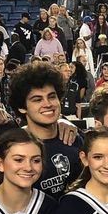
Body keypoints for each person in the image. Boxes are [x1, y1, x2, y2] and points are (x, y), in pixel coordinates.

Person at [9, 62, 81, 196]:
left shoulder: (74, 137)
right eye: (37, 100)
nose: (47, 104)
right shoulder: (13, 147)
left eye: (52, 96)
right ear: (22, 107)